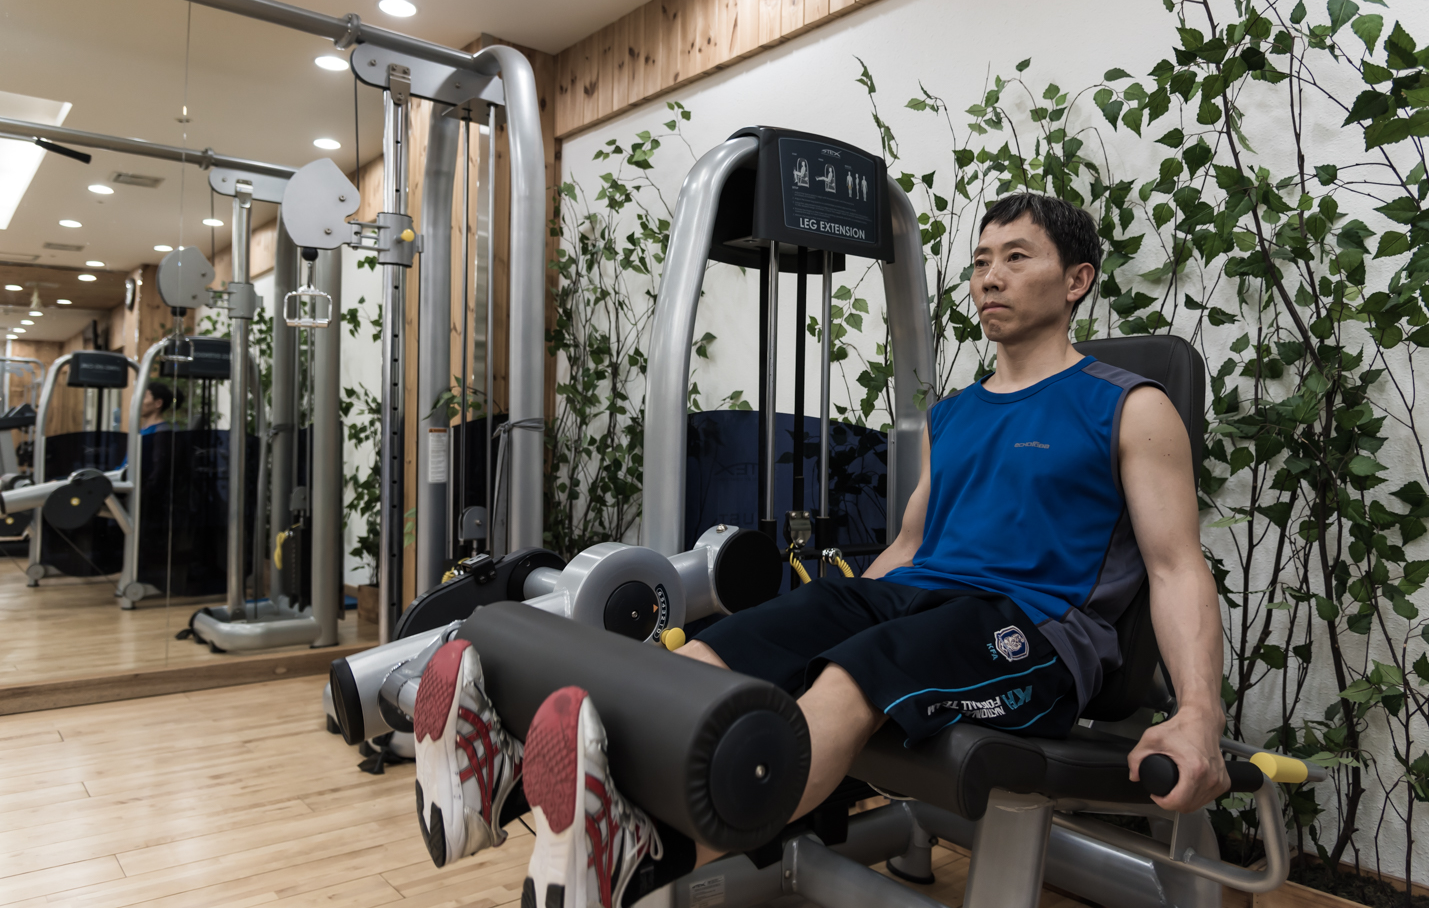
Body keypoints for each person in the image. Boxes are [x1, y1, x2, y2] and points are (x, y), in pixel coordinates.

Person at [410, 193, 1230, 908]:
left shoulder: (1128, 405)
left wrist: (1198, 713)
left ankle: (658, 850)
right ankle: (511, 780)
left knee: (861, 667)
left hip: (1032, 631)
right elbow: (909, 546)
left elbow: (1176, 567)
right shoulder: (955, 415)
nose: (990, 277)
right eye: (982, 261)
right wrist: (829, 616)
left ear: (1077, 279)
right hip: (925, 598)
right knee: (743, 638)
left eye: (1017, 257)